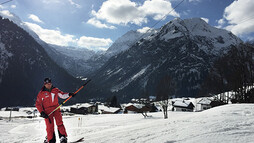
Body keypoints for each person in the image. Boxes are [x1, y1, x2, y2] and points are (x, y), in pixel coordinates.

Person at [35, 78, 75, 143]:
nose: (49, 85)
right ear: (44, 84)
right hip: (47, 111)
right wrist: (42, 112)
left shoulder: (55, 90)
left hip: (56, 109)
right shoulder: (41, 93)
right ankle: (51, 140)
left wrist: (69, 94)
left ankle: (63, 137)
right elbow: (38, 103)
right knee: (50, 126)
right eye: (47, 84)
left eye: (50, 84)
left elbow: (62, 95)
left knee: (60, 123)